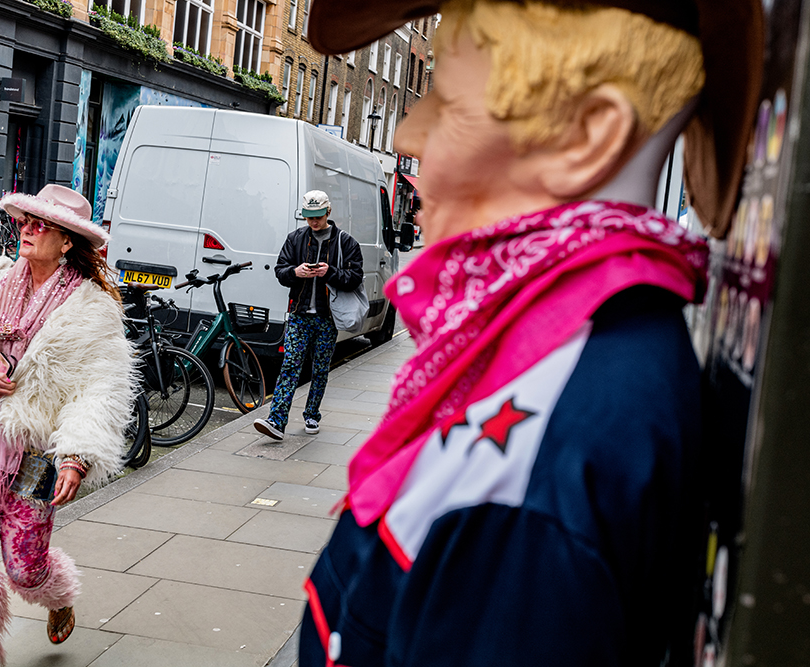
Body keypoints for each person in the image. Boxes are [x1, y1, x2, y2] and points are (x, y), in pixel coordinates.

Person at [298, 0, 761, 664]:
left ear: (587, 138)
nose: (407, 135)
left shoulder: (543, 449)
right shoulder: (571, 342)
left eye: (447, 101)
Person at [0, 183, 135, 667]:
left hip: (32, 450)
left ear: (66, 242)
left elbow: (100, 389)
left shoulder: (91, 309)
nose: (28, 231)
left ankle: (57, 596)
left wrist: (78, 455)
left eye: (42, 225)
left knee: (23, 567)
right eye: (25, 222)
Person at [254, 190, 363, 439]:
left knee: (320, 368)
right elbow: (281, 271)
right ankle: (276, 421)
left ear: (328, 212)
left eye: (317, 216)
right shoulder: (296, 239)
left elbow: (355, 277)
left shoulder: (346, 242)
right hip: (299, 314)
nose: (313, 222)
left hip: (327, 318)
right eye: (309, 217)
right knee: (291, 365)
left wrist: (330, 272)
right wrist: (296, 272)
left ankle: (312, 414)